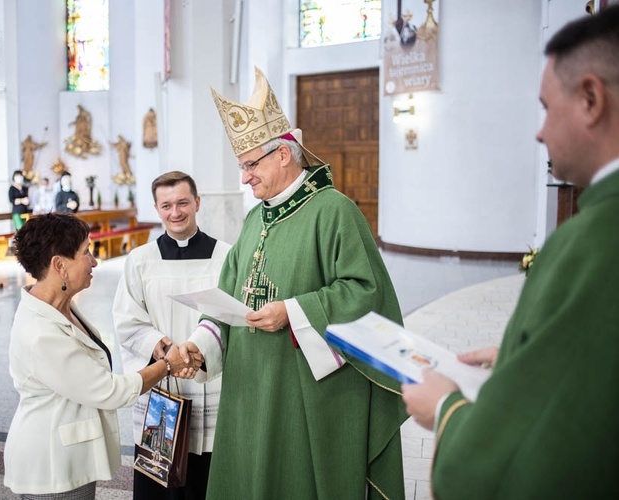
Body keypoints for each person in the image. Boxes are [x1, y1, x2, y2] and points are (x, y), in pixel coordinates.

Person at [401, 7, 619, 499]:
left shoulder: (592, 241)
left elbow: (518, 465)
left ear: (590, 97)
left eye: (546, 106)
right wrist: (525, 359)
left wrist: (447, 409)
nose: (539, 132)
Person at [179, 67, 407, 499]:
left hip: (303, 393)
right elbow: (227, 298)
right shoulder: (253, 220)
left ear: (284, 154)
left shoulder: (333, 211)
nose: (244, 177)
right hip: (249, 388)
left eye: (250, 165)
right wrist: (200, 345)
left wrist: (293, 311)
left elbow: (366, 292)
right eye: (242, 166)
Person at [3, 212, 199, 498]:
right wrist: (167, 366)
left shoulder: (58, 305)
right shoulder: (40, 333)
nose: (94, 261)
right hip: (51, 467)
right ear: (59, 265)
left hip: (69, 457)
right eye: (86, 252)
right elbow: (109, 390)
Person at [113, 171, 231, 499]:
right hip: (161, 380)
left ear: (197, 202)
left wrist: (197, 351)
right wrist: (164, 349)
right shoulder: (140, 261)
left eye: (182, 203)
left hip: (210, 378)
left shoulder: (225, 256)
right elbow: (127, 320)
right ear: (156, 207)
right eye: (166, 205)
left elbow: (230, 316)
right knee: (160, 475)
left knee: (205, 477)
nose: (175, 212)